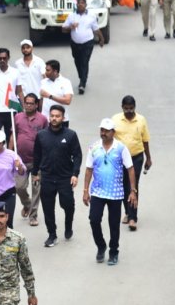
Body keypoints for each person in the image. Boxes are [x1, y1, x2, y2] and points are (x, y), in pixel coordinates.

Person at [82, 119, 137, 266]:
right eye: (102, 130)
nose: (103, 133)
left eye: (106, 130)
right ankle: (101, 246)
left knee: (114, 224)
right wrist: (85, 190)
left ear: (113, 132)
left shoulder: (121, 148)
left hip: (116, 193)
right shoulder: (93, 148)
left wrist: (133, 191)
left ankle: (113, 252)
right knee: (94, 220)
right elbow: (88, 169)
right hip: (98, 192)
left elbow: (130, 169)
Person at [32, 105, 82, 247]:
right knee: (48, 208)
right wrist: (35, 173)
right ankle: (52, 234)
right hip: (47, 177)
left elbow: (77, 155)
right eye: (52, 115)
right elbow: (37, 155)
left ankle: (68, 226)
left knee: (67, 204)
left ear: (63, 118)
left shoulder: (70, 135)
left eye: (57, 116)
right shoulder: (41, 135)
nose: (54, 118)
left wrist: (75, 174)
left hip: (65, 177)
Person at [112, 95, 152, 231]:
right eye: (126, 108)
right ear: (122, 107)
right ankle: (128, 212)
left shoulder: (141, 120)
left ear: (135, 107)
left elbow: (145, 140)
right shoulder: (115, 119)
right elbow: (109, 138)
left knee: (133, 186)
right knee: (123, 186)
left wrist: (149, 158)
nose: (129, 111)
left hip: (136, 157)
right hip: (119, 159)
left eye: (131, 108)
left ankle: (133, 218)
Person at [13, 94, 48, 227]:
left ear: (36, 105)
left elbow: (46, 138)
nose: (28, 105)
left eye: (31, 103)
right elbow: (13, 135)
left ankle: (33, 216)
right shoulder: (17, 117)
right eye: (26, 103)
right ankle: (27, 204)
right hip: (20, 160)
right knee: (19, 187)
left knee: (36, 189)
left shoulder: (43, 119)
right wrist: (11, 153)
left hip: (37, 162)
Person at [61, 0, 105, 95]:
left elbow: (96, 29)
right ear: (76, 5)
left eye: (82, 3)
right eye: (78, 3)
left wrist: (101, 39)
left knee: (84, 61)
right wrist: (71, 27)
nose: (80, 4)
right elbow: (63, 29)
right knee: (77, 61)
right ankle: (82, 76)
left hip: (88, 42)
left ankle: (82, 84)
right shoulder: (71, 16)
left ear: (86, 5)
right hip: (75, 43)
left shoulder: (91, 16)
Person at [38, 60, 73, 124]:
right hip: (46, 119)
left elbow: (68, 101)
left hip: (61, 120)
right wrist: (40, 114)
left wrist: (50, 96)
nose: (45, 72)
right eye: (46, 70)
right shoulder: (43, 82)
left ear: (55, 71)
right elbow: (41, 100)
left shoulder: (66, 82)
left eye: (48, 70)